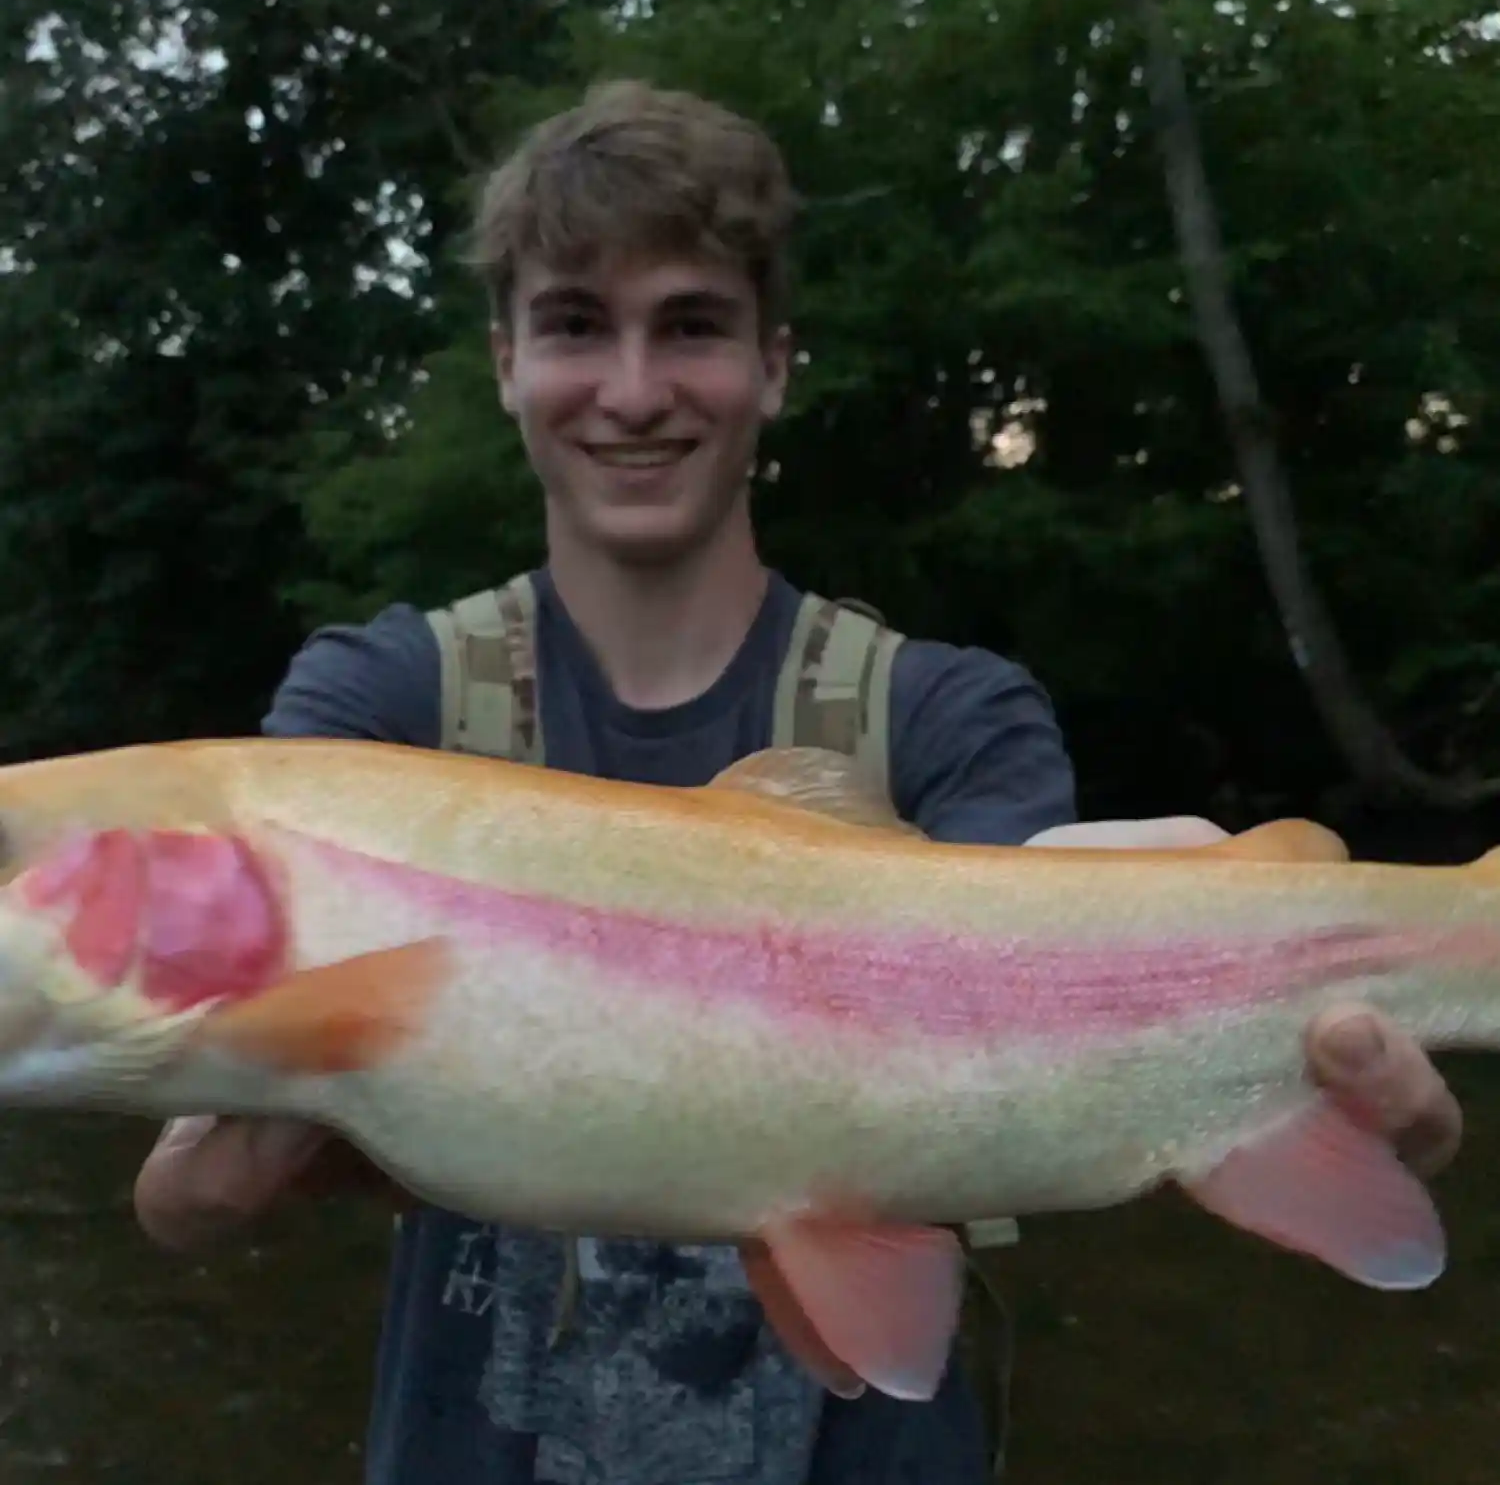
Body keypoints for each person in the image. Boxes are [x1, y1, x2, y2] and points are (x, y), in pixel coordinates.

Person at [132, 81, 1463, 1484]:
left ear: (774, 363)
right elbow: (182, 1183)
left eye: (691, 325)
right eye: (577, 325)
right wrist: (221, 1169)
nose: (633, 391)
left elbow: (1050, 996)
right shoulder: (372, 708)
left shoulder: (949, 711)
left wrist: (1273, 1032)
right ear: (503, 363)